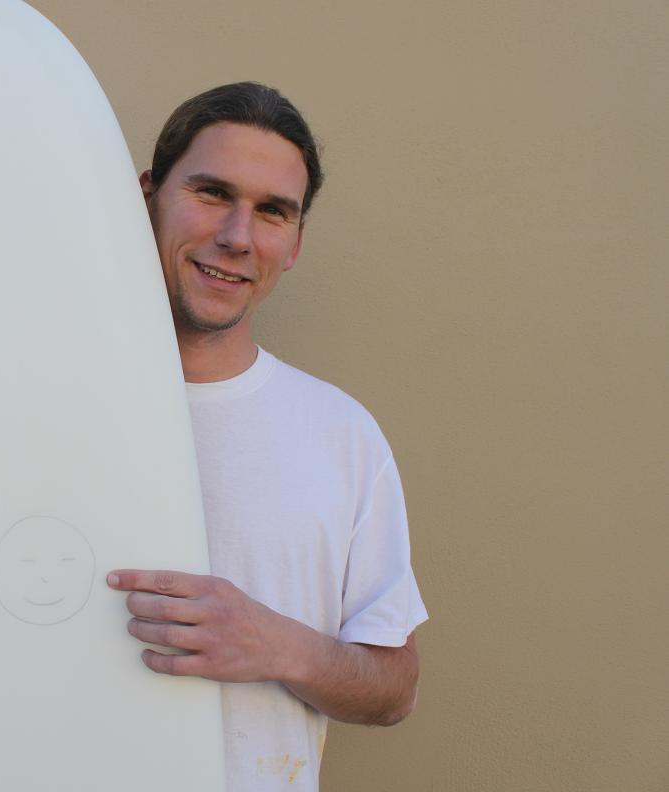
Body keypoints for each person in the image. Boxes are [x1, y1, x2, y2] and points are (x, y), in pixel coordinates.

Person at [107, 82, 428, 792]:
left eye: (272, 211)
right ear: (147, 197)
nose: (238, 236)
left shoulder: (342, 436)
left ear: (295, 243)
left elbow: (394, 689)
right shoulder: (33, 411)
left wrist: (278, 645)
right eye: (212, 193)